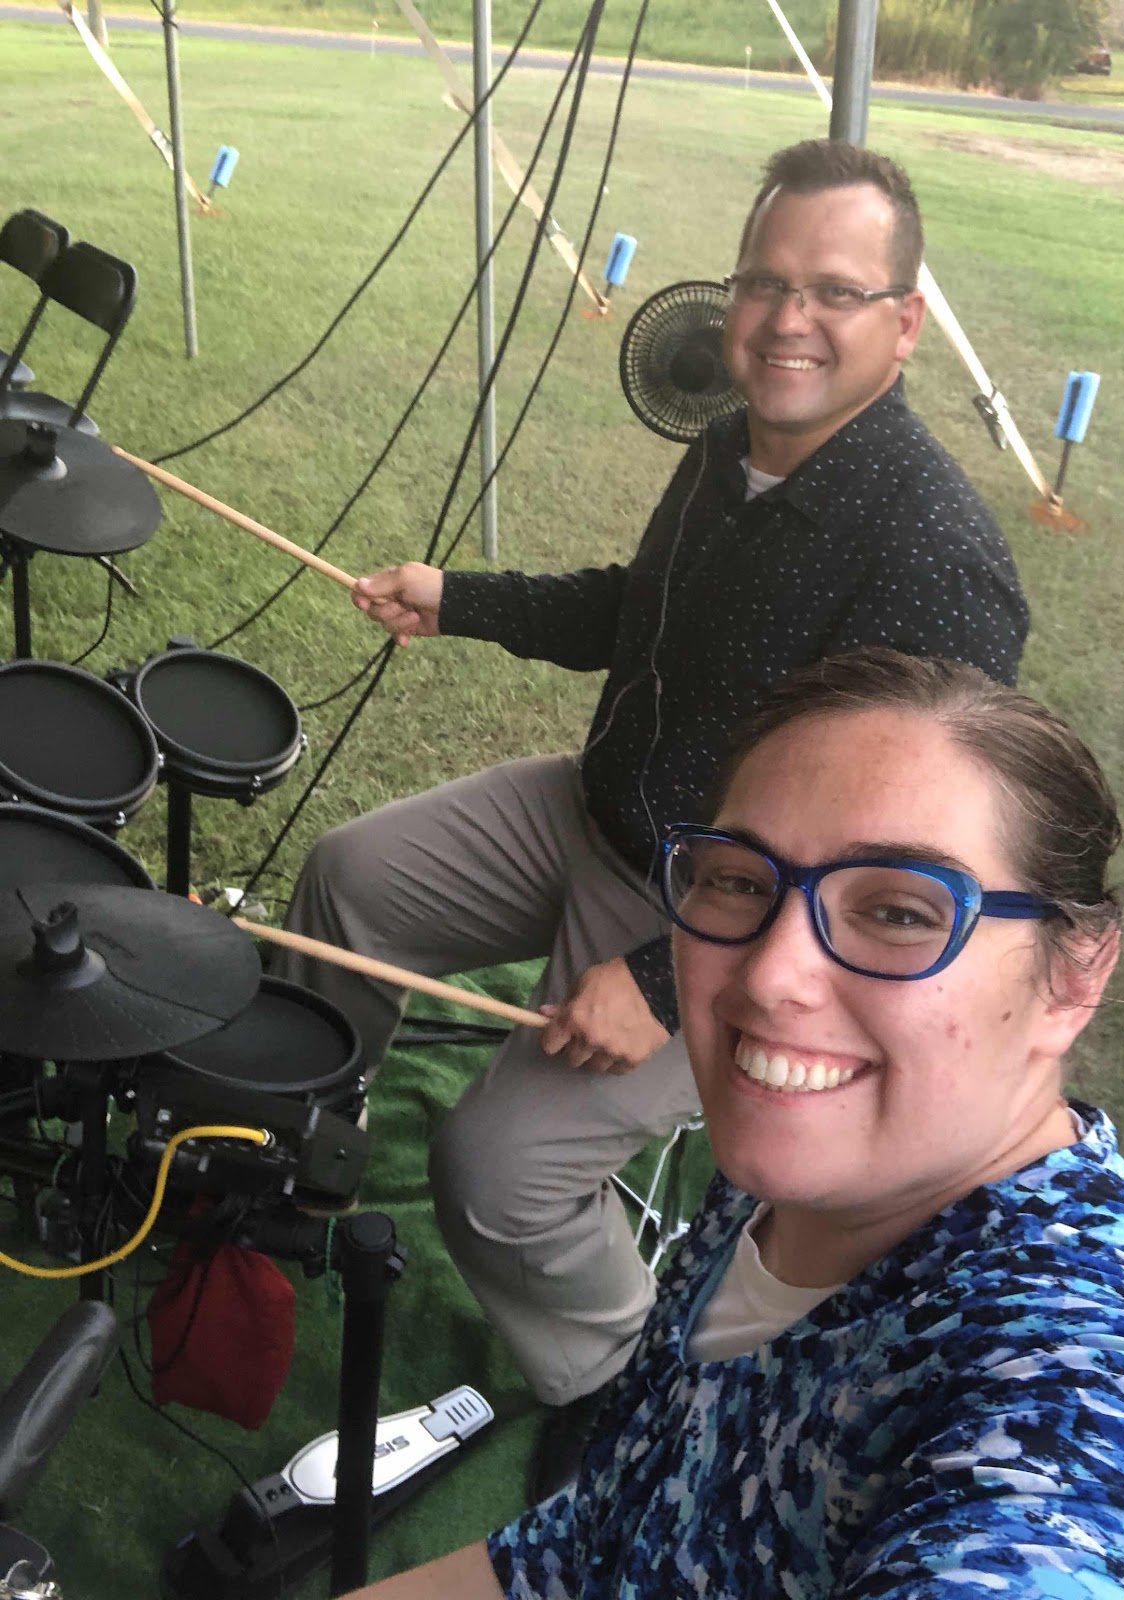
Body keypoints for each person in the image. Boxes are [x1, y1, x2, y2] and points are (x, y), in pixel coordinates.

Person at [275, 139, 1029, 1495]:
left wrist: (662, 981)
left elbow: (879, 879)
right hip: (597, 814)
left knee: (494, 1171)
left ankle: (617, 1377)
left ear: (905, 323)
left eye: (834, 291)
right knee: (349, 881)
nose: (787, 319)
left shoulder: (934, 562)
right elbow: (642, 611)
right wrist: (458, 598)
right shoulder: (729, 443)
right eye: (764, 281)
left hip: (735, 928)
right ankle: (304, 1153)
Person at [340, 648, 1124, 1600]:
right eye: (739, 881)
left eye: (901, 913)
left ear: (1075, 975)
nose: (768, 976)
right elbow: (601, 1532)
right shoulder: (801, 1178)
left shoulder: (1099, 1381)